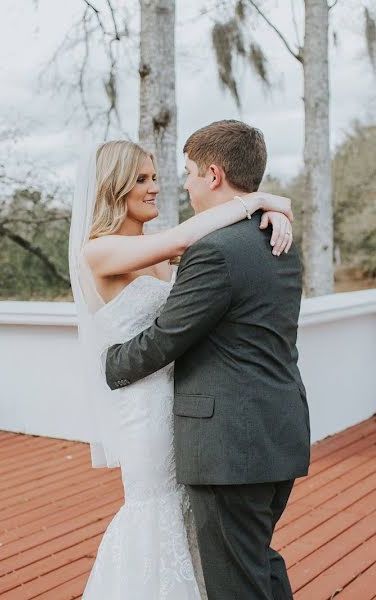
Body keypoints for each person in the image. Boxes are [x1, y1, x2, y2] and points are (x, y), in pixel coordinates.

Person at [68, 137, 295, 599]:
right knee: (157, 513)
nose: (155, 188)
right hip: (143, 404)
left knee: (198, 523)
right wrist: (261, 200)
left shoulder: (153, 247)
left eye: (155, 177)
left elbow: (218, 238)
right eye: (141, 179)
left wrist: (274, 212)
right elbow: (191, 235)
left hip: (187, 401)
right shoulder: (100, 251)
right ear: (114, 188)